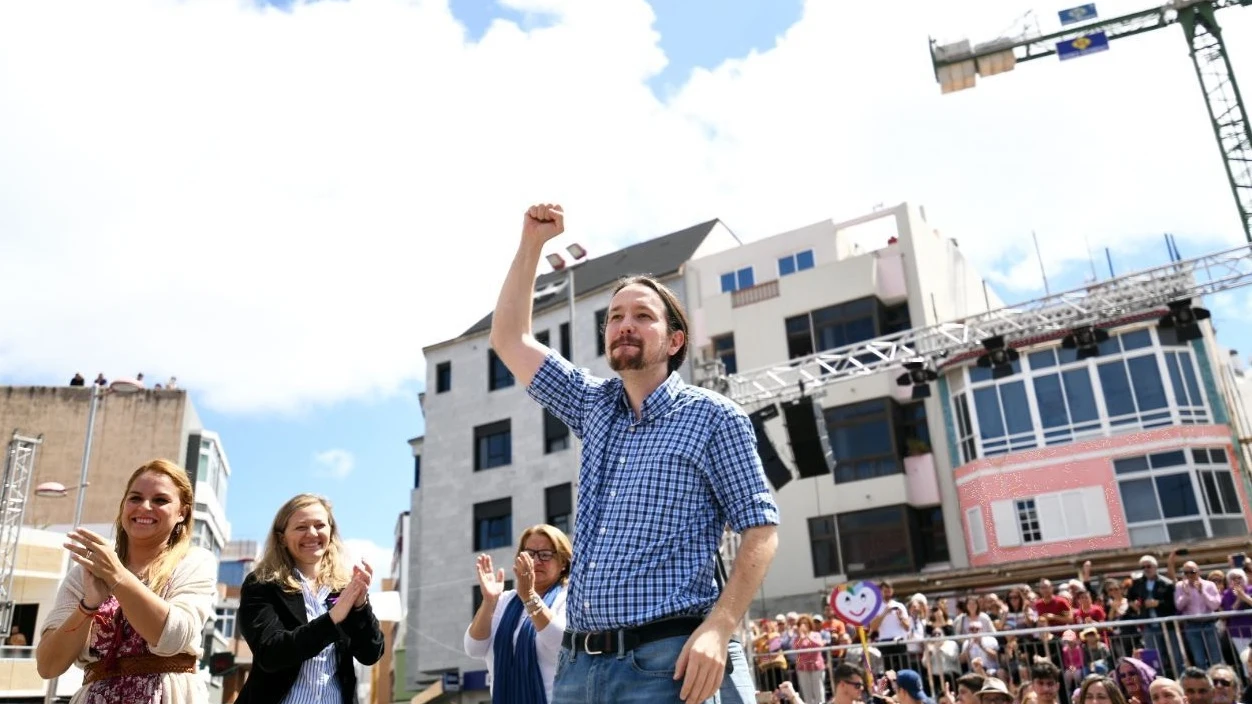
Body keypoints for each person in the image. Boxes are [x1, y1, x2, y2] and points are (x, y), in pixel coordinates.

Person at [489, 203, 780, 704]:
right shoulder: (593, 404)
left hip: (666, 662)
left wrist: (719, 627)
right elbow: (509, 339)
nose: (624, 323)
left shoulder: (714, 417)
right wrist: (532, 244)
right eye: (615, 316)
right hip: (579, 668)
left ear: (674, 340)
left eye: (643, 316)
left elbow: (761, 527)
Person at [35, 458, 217, 703]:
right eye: (135, 498)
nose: (144, 507)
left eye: (160, 500)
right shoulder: (86, 571)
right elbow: (48, 666)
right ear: (123, 506)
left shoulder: (194, 562)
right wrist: (88, 606)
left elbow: (172, 637)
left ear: (182, 512)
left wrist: (117, 576)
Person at [235, 494, 383, 704]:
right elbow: (270, 653)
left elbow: (371, 654)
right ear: (282, 538)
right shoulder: (261, 584)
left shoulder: (343, 588)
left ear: (331, 532)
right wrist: (331, 620)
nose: (312, 533)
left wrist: (360, 606)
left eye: (320, 525)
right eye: (301, 527)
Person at [465, 524, 571, 703]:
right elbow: (473, 648)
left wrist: (529, 597)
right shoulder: (504, 600)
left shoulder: (569, 597)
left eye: (545, 555)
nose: (536, 562)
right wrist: (489, 601)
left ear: (563, 563)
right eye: (529, 554)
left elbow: (562, 645)